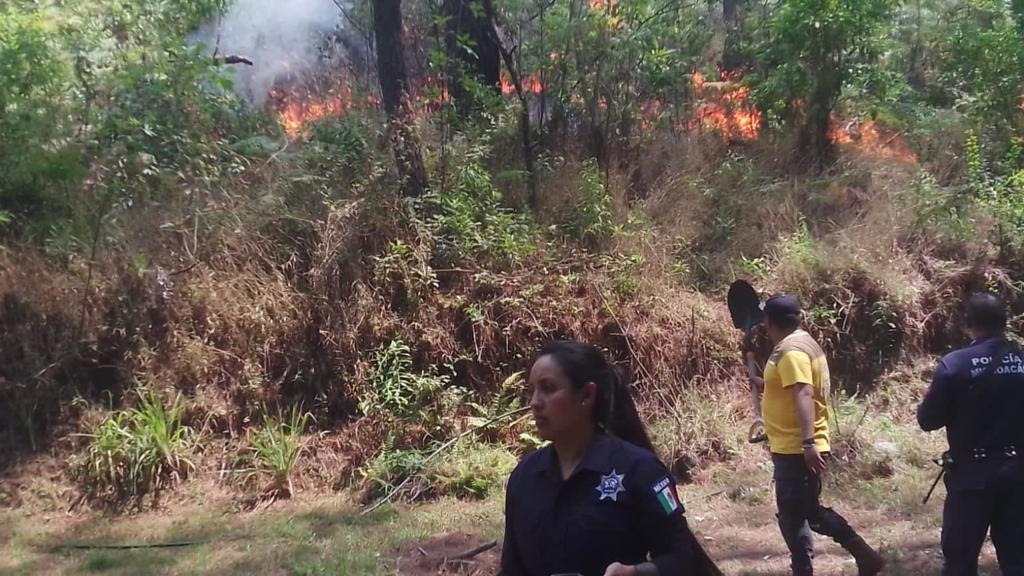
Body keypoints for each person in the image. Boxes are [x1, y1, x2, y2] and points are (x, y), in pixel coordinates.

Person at [500, 340, 721, 576]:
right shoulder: (525, 477)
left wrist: (636, 572)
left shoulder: (639, 470)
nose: (534, 402)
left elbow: (681, 559)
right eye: (532, 390)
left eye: (548, 388)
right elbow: (512, 568)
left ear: (586, 395)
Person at [751, 294, 884, 576]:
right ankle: (830, 562)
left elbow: (804, 392)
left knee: (801, 513)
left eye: (764, 319)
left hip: (796, 447)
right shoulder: (803, 343)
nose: (762, 324)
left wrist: (808, 442)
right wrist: (766, 385)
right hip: (793, 445)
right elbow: (793, 388)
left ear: (771, 321)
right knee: (798, 512)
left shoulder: (791, 352)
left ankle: (860, 556)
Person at [918, 292, 1024, 576]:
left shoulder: (955, 364)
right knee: (1018, 561)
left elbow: (927, 420)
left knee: (960, 562)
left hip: (971, 478)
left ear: (968, 323)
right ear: (1005, 322)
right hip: (1018, 475)